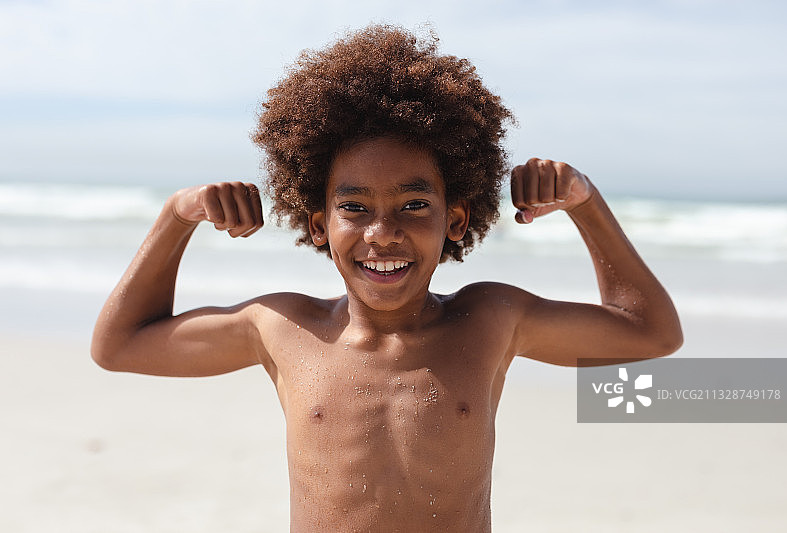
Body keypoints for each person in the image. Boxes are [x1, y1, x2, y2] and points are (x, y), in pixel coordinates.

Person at [91, 25, 682, 532]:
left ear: (456, 219)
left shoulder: (493, 319)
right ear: (320, 225)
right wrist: (177, 216)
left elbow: (651, 333)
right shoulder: (280, 326)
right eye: (355, 207)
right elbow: (118, 346)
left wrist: (583, 200)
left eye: (413, 205)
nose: (382, 232)